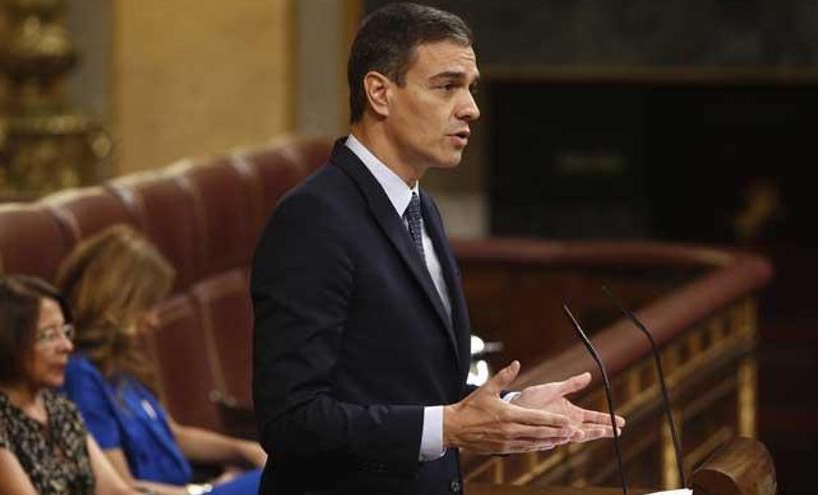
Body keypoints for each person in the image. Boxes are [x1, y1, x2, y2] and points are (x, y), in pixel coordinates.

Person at [251, 3, 626, 494]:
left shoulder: (420, 207)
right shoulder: (314, 219)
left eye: (469, 88)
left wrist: (512, 409)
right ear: (380, 93)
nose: (471, 107)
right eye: (447, 86)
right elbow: (291, 418)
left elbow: (411, 389)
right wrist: (449, 429)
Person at [58, 225, 265, 495]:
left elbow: (173, 435)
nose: (154, 320)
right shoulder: (81, 377)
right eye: (147, 306)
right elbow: (122, 488)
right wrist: (200, 491)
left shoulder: (121, 364)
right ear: (117, 301)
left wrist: (244, 449)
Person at [0, 275, 140, 495]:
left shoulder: (60, 409)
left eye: (65, 332)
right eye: (48, 336)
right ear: (6, 341)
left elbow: (114, 491)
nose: (67, 346)